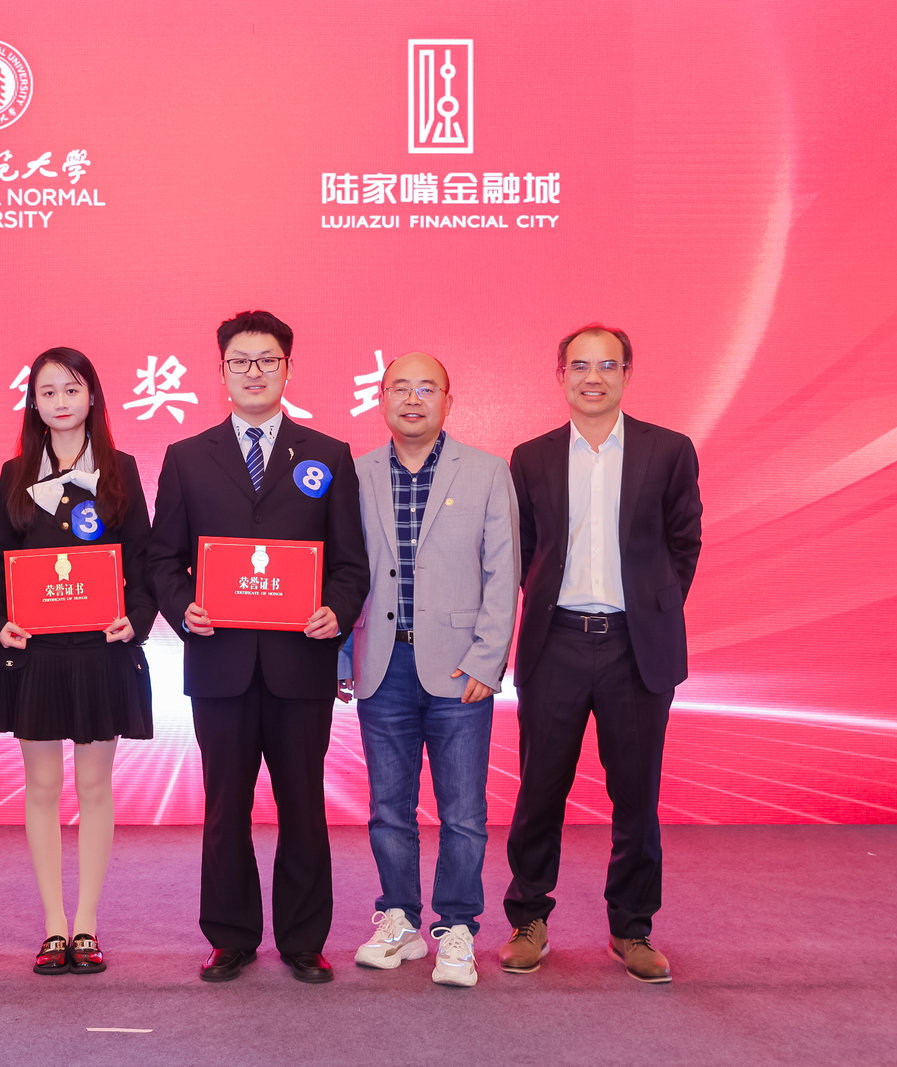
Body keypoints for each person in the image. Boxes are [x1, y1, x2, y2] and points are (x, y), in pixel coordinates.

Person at [147, 310, 368, 985]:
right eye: (240, 361)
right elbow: (162, 558)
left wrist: (337, 611)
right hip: (221, 664)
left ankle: (303, 940)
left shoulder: (328, 454)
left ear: (287, 369)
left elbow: (350, 563)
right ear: (221, 371)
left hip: (300, 664)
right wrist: (183, 608)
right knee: (225, 810)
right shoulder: (187, 458)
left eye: (267, 360)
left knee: (303, 807)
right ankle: (230, 937)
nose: (253, 371)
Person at [499, 325, 702, 984]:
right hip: (555, 643)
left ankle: (632, 927)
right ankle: (529, 919)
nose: (594, 377)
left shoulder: (668, 450)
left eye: (607, 365)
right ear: (561, 375)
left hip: (634, 649)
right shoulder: (530, 457)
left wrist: (651, 608)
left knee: (636, 796)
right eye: (580, 366)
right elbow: (523, 549)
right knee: (540, 791)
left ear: (626, 374)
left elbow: (684, 541)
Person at [337, 352, 518, 987]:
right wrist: (343, 657)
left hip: (460, 668)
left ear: (448, 400)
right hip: (381, 664)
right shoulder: (355, 473)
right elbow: (342, 570)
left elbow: (503, 571)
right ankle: (399, 918)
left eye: (426, 389)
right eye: (400, 388)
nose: (412, 400)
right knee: (389, 807)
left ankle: (458, 927)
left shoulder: (488, 472)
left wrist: (488, 660)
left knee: (463, 810)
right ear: (381, 398)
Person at [0, 347, 155, 975]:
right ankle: (54, 926)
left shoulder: (122, 470)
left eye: (72, 389)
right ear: (34, 402)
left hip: (102, 650)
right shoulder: (14, 472)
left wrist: (138, 619)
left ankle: (87, 925)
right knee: (43, 788)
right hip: (38, 653)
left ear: (93, 397)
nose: (60, 402)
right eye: (48, 392)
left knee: (95, 787)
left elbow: (142, 561)